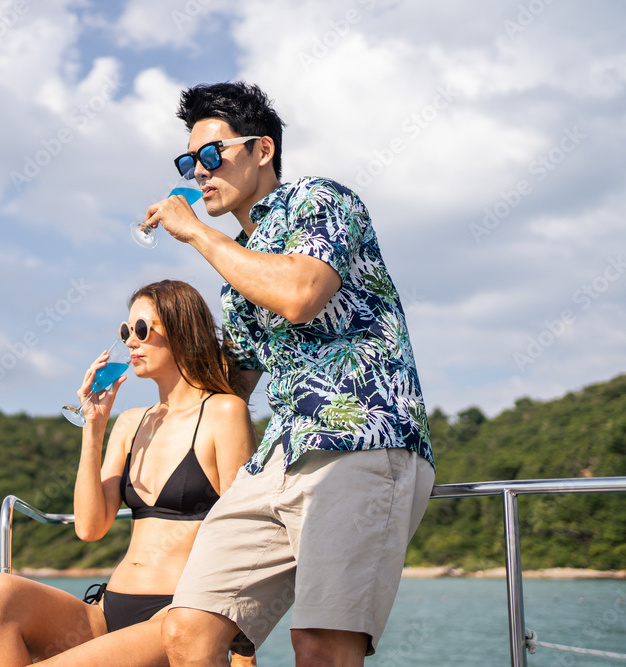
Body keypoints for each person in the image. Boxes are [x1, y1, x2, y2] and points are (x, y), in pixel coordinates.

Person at [141, 82, 437, 666]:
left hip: (360, 439)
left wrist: (197, 232)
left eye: (211, 155)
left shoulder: (320, 198)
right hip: (278, 455)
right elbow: (237, 381)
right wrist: (157, 368)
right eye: (187, 161)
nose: (198, 173)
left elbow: (301, 293)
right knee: (187, 631)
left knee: (322, 644)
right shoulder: (239, 269)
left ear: (262, 150)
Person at [0, 279, 258, 666]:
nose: (130, 342)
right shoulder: (130, 424)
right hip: (107, 613)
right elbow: (90, 527)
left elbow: (246, 531)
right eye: (125, 331)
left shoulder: (224, 413)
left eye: (141, 330)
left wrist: (242, 647)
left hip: (176, 616)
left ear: (183, 334)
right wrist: (94, 426)